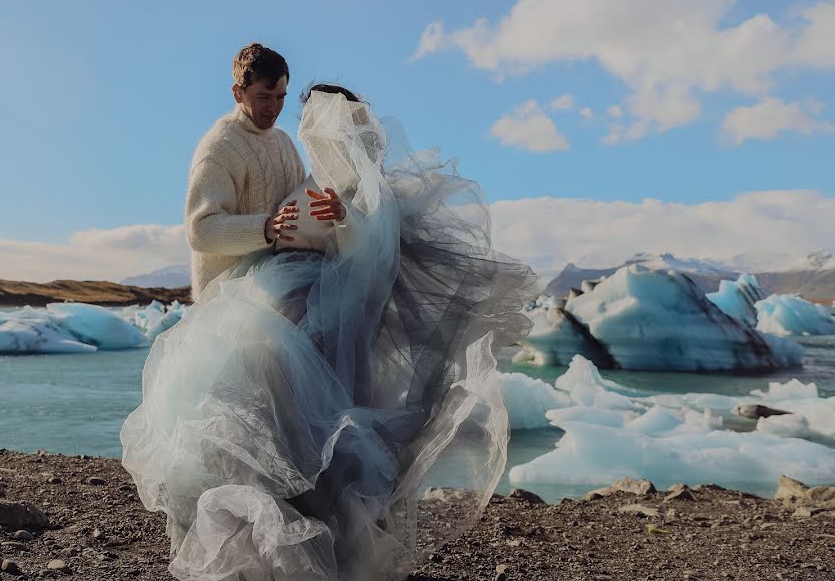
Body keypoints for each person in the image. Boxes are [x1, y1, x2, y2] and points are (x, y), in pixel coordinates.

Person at [121, 72, 535, 579]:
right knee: (265, 426)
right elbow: (211, 229)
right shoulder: (254, 155)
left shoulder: (358, 187)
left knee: (313, 438)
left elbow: (374, 253)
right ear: (241, 94)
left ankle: (316, 548)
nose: (302, 123)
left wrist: (341, 219)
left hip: (316, 327)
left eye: (308, 114)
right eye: (274, 101)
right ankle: (269, 542)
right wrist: (276, 237)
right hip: (277, 312)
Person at [184, 43, 349, 301]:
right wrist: (265, 229)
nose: (273, 107)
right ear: (238, 93)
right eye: (264, 97)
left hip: (280, 298)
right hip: (226, 309)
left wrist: (335, 215)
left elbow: (298, 217)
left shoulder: (285, 144)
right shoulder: (218, 147)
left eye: (280, 97)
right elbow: (200, 231)